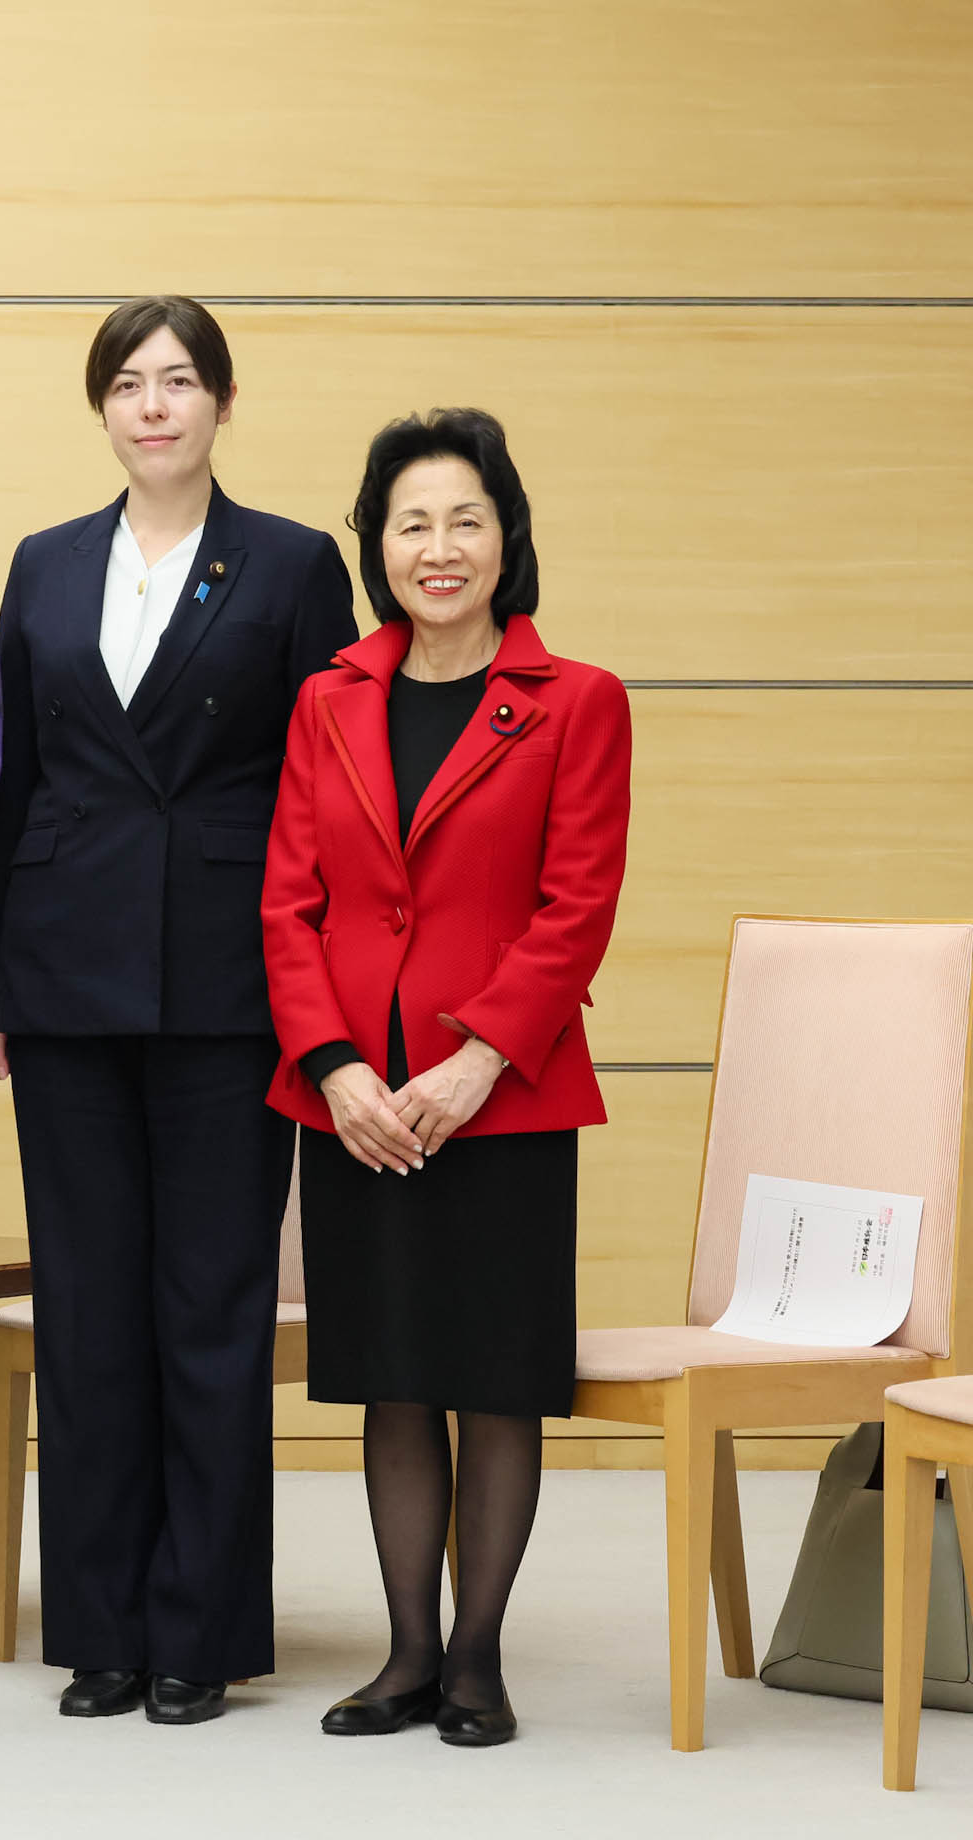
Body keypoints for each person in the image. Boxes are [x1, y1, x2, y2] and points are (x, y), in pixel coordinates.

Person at [0, 296, 358, 1725]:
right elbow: (14, 780)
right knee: (86, 1310)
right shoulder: (50, 563)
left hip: (229, 975)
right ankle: (104, 1629)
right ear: (102, 408)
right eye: (128, 384)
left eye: (179, 381)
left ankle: (198, 1632)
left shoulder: (295, 564)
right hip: (66, 973)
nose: (153, 407)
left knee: (209, 1309)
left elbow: (338, 781)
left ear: (222, 402)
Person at [262, 408, 629, 1747]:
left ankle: (477, 1660)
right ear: (378, 544)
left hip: (506, 1098)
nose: (438, 546)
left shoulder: (576, 701)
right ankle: (405, 1653)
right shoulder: (330, 699)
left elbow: (575, 903)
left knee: (493, 1378)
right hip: (359, 1108)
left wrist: (477, 1058)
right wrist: (340, 1068)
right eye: (411, 522)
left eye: (464, 519)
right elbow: (286, 908)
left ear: (506, 538)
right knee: (394, 1376)